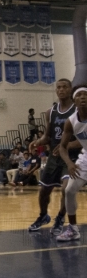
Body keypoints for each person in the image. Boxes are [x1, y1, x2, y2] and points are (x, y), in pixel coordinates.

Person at [28, 79, 81, 234]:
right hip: (54, 156)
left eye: (65, 87)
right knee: (44, 190)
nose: (61, 90)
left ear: (70, 90)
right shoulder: (50, 112)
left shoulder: (78, 110)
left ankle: (60, 218)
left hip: (72, 157)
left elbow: (84, 137)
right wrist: (37, 142)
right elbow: (47, 136)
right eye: (58, 87)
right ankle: (43, 216)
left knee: (66, 189)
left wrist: (68, 145)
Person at [57, 85, 87, 241]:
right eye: (79, 95)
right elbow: (63, 146)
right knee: (69, 191)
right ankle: (73, 230)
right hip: (86, 158)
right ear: (74, 101)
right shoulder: (71, 121)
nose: (83, 97)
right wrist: (69, 163)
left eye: (85, 94)